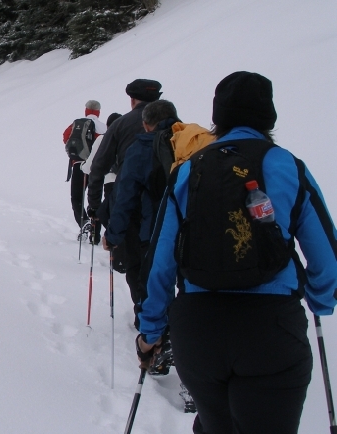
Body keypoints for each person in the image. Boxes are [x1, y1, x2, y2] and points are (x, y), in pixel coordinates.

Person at [136, 72, 337, 433]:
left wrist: (150, 332)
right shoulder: (287, 165)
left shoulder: (187, 171)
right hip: (271, 330)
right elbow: (327, 258)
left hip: (198, 332)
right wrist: (321, 301)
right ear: (268, 117)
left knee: (215, 424)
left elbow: (160, 262)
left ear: (219, 117)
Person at [103, 100, 179, 304]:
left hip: (154, 229)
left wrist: (113, 235)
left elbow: (124, 197)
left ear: (146, 125)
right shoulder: (190, 142)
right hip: (193, 228)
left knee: (149, 278)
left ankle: (153, 329)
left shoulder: (141, 149)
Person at [87, 79, 162, 281]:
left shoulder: (121, 125)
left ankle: (143, 309)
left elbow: (98, 167)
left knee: (135, 266)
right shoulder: (176, 125)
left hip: (131, 203)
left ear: (132, 100)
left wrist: (94, 205)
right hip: (167, 204)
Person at [63, 100, 107, 233]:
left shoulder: (77, 124)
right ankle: (95, 234)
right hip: (97, 168)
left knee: (77, 197)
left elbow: (65, 137)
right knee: (95, 199)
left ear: (86, 110)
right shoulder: (103, 127)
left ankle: (84, 222)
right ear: (98, 112)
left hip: (79, 165)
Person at [81, 112, 122, 243]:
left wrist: (83, 166)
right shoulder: (128, 138)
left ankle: (98, 238)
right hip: (126, 181)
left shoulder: (102, 139)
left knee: (103, 209)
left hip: (109, 180)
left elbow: (91, 166)